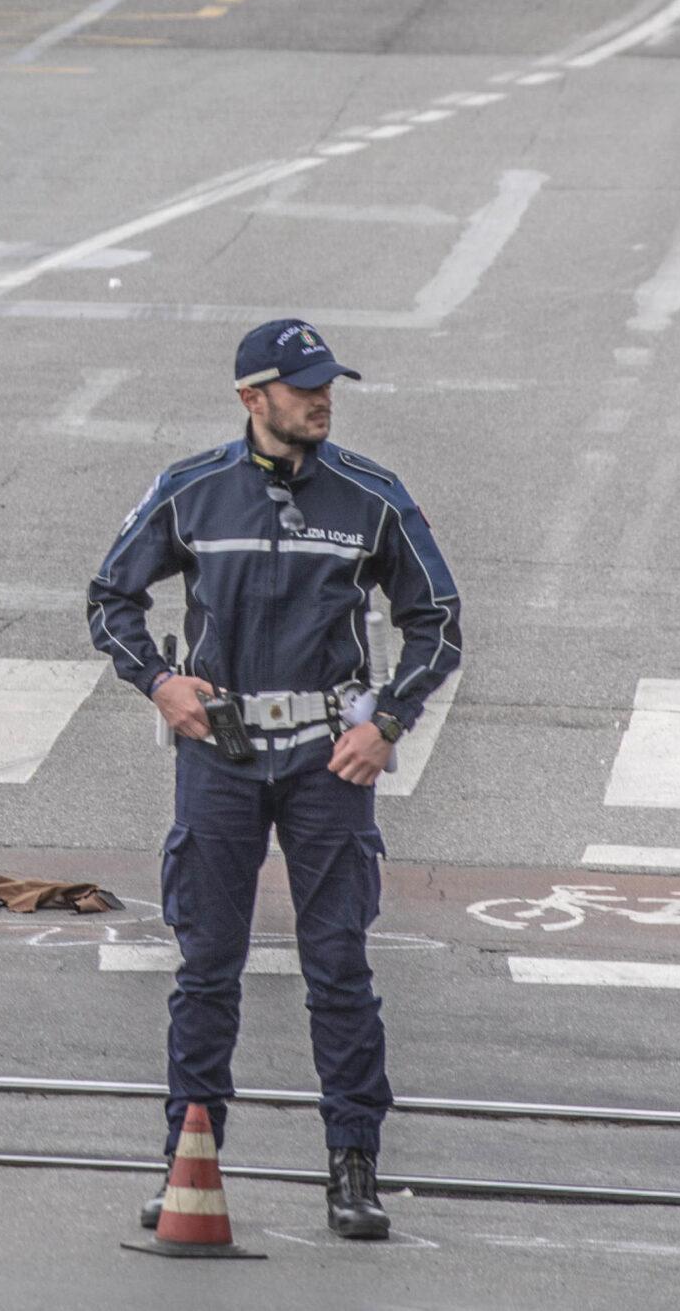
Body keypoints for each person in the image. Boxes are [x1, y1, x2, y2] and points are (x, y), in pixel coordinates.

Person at [87, 319, 461, 1241]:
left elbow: (439, 620)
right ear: (253, 399)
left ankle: (353, 1165)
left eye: (328, 384)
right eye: (302, 387)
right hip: (218, 757)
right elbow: (109, 598)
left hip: (329, 761)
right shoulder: (192, 489)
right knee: (207, 967)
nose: (321, 399)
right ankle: (189, 1152)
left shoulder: (372, 495)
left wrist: (389, 721)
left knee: (339, 965)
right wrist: (161, 681)